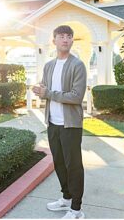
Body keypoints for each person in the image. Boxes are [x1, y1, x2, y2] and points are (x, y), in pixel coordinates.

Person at [32, 25, 88, 219]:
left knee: (73, 165)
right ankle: (65, 198)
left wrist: (48, 93)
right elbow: (45, 89)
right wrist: (39, 90)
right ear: (54, 40)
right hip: (53, 122)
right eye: (61, 36)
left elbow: (76, 96)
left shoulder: (77, 65)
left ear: (72, 41)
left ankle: (76, 209)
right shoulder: (49, 66)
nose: (65, 39)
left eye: (69, 36)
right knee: (59, 163)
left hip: (70, 124)